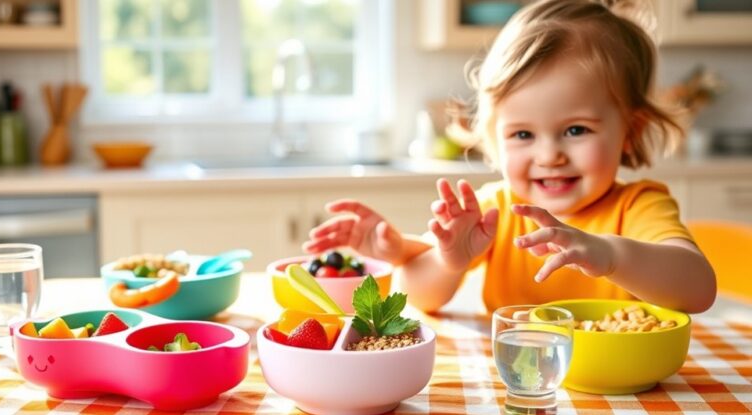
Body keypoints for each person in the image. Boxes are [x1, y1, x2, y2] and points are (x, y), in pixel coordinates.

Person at [303, 0, 716, 314]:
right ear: (494, 140)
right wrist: (446, 261)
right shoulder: (496, 209)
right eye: (522, 134)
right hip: (521, 385)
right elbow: (419, 297)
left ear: (631, 132)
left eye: (576, 130)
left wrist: (609, 255)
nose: (549, 155)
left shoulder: (638, 206)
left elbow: (698, 289)